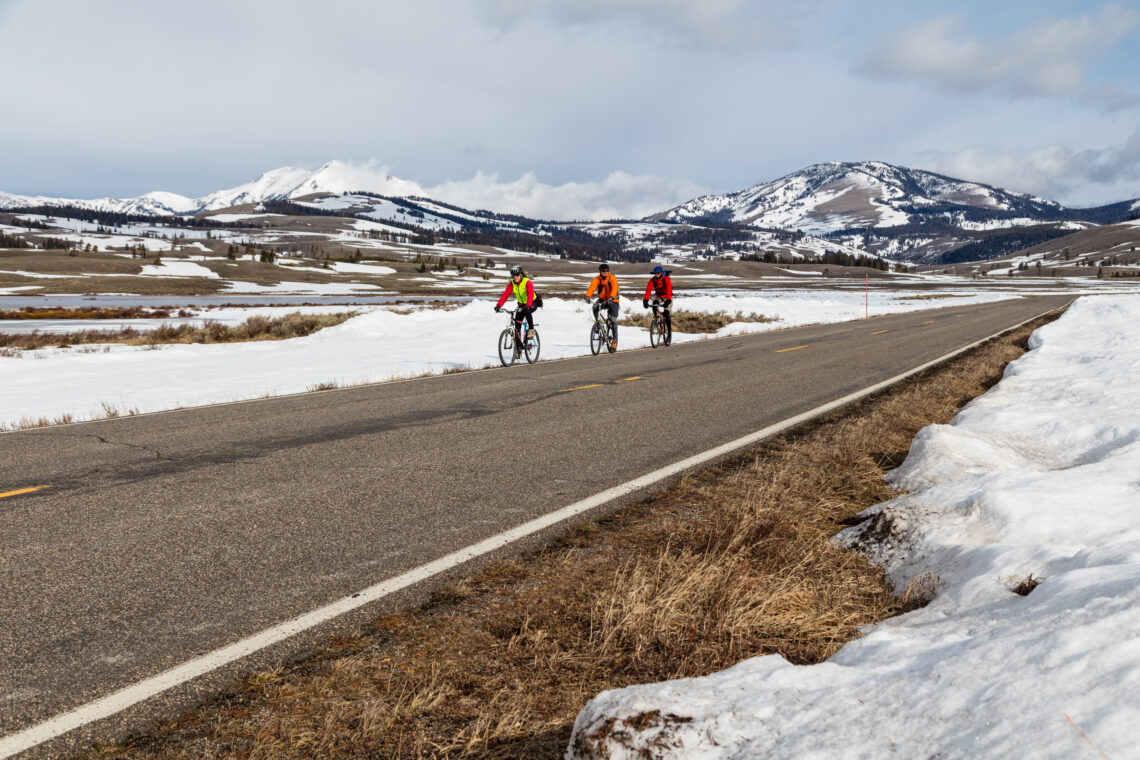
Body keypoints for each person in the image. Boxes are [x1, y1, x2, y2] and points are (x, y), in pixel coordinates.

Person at [494, 264, 537, 341]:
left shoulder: (527, 282)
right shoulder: (512, 283)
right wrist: (498, 305)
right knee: (517, 326)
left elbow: (530, 294)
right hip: (521, 305)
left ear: (520, 274)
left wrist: (528, 305)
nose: (515, 277)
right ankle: (518, 349)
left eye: (517, 275)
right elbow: (505, 294)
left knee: (527, 311)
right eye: (513, 275)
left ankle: (531, 330)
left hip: (532, 303)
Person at [585, 262, 620, 350]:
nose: (605, 272)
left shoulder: (612, 278)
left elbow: (615, 288)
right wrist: (587, 296)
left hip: (613, 300)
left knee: (613, 320)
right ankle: (597, 324)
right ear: (600, 271)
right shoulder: (597, 279)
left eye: (607, 271)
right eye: (603, 271)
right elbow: (592, 287)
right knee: (595, 306)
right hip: (603, 299)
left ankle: (614, 341)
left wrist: (611, 297)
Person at [643, 264, 673, 345]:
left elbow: (669, 289)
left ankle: (669, 335)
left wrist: (668, 300)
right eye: (655, 273)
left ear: (661, 273)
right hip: (659, 296)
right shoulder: (652, 280)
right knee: (654, 303)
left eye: (658, 273)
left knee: (667, 314)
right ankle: (656, 318)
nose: (656, 275)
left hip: (667, 296)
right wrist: (645, 300)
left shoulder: (666, 279)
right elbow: (648, 290)